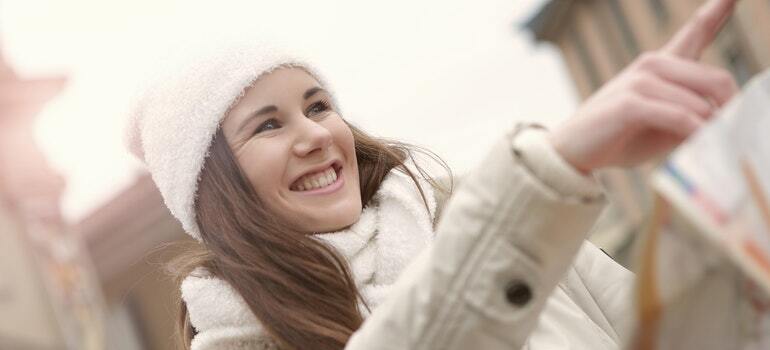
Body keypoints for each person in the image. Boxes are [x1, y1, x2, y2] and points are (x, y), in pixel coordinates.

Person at [124, 1, 740, 349]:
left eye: (317, 106)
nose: (314, 133)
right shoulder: (240, 343)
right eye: (267, 125)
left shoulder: (469, 210)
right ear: (217, 196)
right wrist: (551, 169)